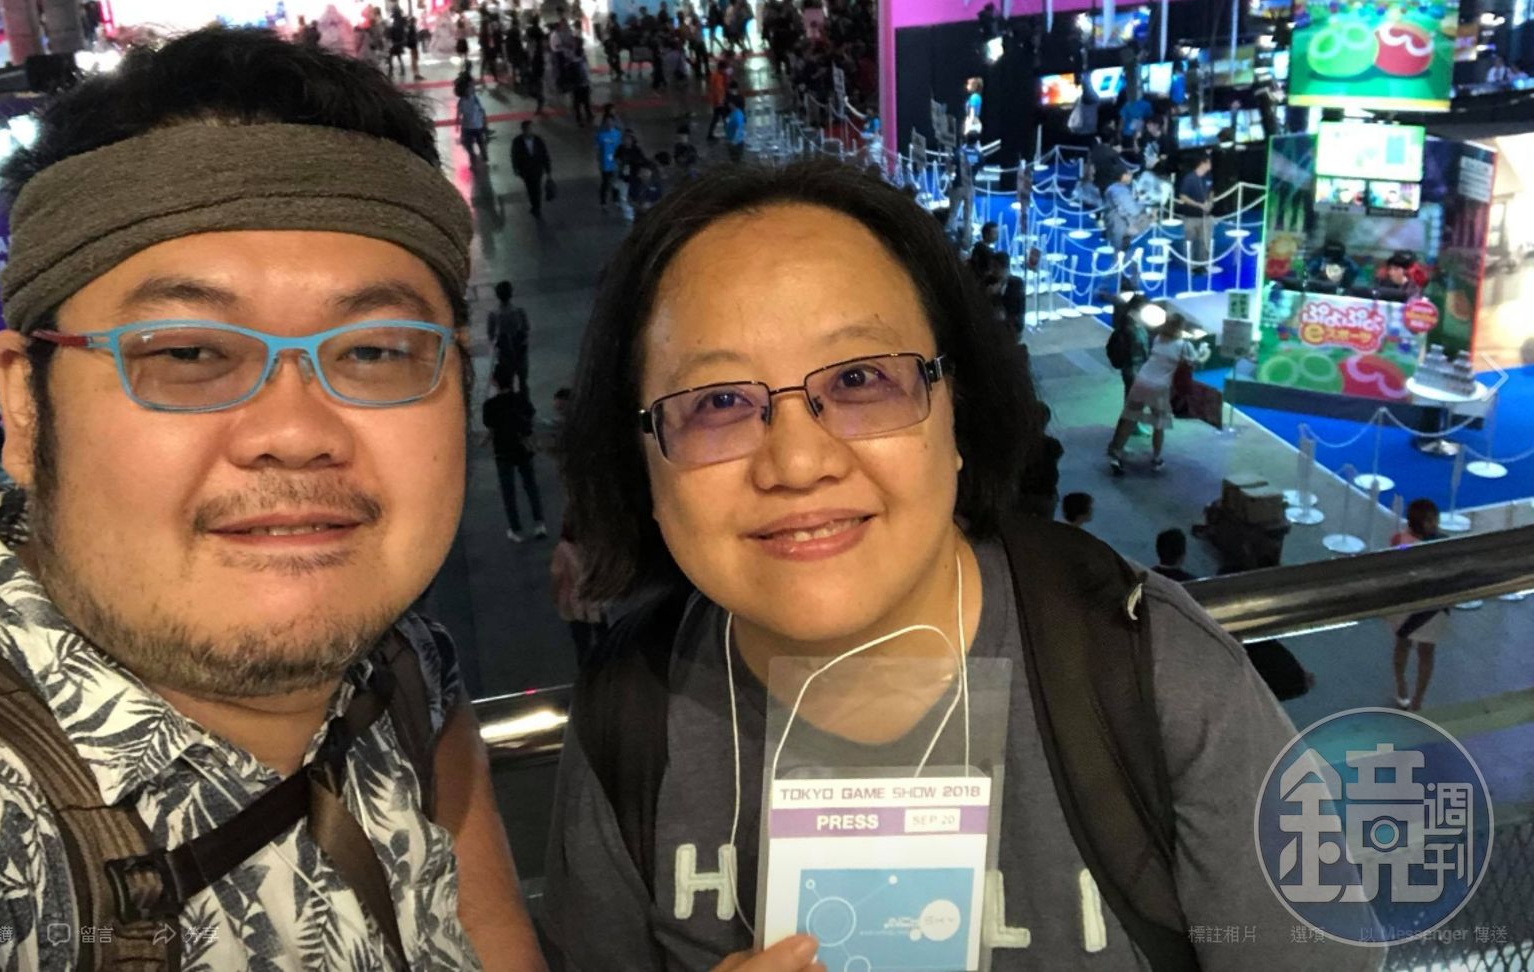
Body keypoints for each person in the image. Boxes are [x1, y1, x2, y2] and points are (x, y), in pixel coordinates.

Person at [544, 160, 1378, 971]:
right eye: (719, 402)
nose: (797, 462)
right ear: (642, 464)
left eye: (861, 378)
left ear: (957, 409)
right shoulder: (630, 717)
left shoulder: (1157, 680)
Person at [0, 26, 543, 970]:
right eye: (187, 353)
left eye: (374, 350)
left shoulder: (405, 668)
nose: (293, 430)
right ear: (23, 406)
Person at [1107, 309, 1200, 474]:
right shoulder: (1184, 346)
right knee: (1159, 424)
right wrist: (1205, 351)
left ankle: (1116, 454)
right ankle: (1156, 459)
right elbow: (1194, 363)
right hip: (1159, 388)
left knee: (1130, 418)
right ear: (1181, 328)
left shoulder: (1158, 338)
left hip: (1141, 382)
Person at [1390, 498, 1449, 710]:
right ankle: (1401, 685)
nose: (1434, 524)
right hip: (1408, 604)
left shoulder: (1444, 542)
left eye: (1435, 519)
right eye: (1429, 520)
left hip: (1433, 605)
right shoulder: (1401, 541)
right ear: (1417, 522)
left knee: (1427, 651)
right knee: (1403, 643)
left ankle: (1418, 699)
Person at [481, 366, 547, 543]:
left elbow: (490, 427)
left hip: (502, 450)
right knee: (530, 486)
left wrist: (483, 442)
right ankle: (539, 524)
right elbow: (531, 417)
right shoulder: (521, 399)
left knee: (508, 491)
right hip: (522, 447)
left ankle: (516, 529)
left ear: (494, 382)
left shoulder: (490, 405)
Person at [551, 521, 606, 664]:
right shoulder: (595, 545)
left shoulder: (562, 549)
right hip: (596, 598)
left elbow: (556, 575)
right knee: (603, 633)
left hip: (574, 602)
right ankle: (607, 663)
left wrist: (555, 596)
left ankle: (586, 669)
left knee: (582, 640)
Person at [487, 280, 532, 393]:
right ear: (511, 293)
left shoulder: (493, 314)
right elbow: (526, 328)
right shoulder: (520, 311)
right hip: (520, 350)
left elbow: (491, 335)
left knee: (508, 382)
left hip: (505, 352)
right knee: (523, 381)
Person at [1175, 154, 1214, 275]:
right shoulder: (1189, 178)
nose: (1210, 165)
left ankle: (1203, 265)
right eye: (1209, 162)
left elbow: (1211, 191)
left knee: (1205, 242)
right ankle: (1190, 266)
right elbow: (1183, 196)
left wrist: (1210, 202)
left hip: (1205, 217)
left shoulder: (1208, 177)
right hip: (1191, 217)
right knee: (1189, 241)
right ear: (1203, 163)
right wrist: (1199, 205)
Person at [510, 119, 553, 218]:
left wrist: (548, 170)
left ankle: (536, 207)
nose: (529, 131)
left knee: (537, 188)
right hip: (525, 171)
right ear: (523, 130)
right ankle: (534, 205)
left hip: (537, 169)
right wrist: (515, 168)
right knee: (530, 188)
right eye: (527, 129)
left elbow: (544, 155)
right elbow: (514, 155)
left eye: (530, 128)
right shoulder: (517, 141)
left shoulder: (538, 140)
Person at [1103, 167, 1148, 252]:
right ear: (1123, 176)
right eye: (1129, 174)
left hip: (1113, 223)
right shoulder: (1121, 191)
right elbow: (1134, 211)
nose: (1131, 177)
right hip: (1121, 225)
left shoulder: (1113, 187)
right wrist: (1142, 204)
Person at [596, 109, 624, 206]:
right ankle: (603, 202)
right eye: (607, 122)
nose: (609, 124)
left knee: (615, 182)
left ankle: (615, 199)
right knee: (605, 183)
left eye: (611, 121)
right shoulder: (600, 135)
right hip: (605, 164)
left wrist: (620, 161)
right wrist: (599, 162)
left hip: (615, 163)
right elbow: (598, 150)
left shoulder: (618, 134)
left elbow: (620, 148)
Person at [457, 80, 489, 162]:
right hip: (467, 126)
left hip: (477, 125)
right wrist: (458, 125)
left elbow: (482, 110)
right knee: (469, 144)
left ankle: (482, 155)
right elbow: (459, 114)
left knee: (480, 143)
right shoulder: (461, 101)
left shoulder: (475, 98)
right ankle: (473, 156)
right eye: (469, 88)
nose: (471, 89)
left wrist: (484, 122)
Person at [724, 93, 747, 163]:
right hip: (732, 140)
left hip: (736, 143)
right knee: (734, 159)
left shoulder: (737, 115)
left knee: (736, 160)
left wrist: (733, 142)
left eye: (730, 103)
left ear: (733, 104)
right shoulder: (733, 113)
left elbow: (739, 129)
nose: (728, 104)